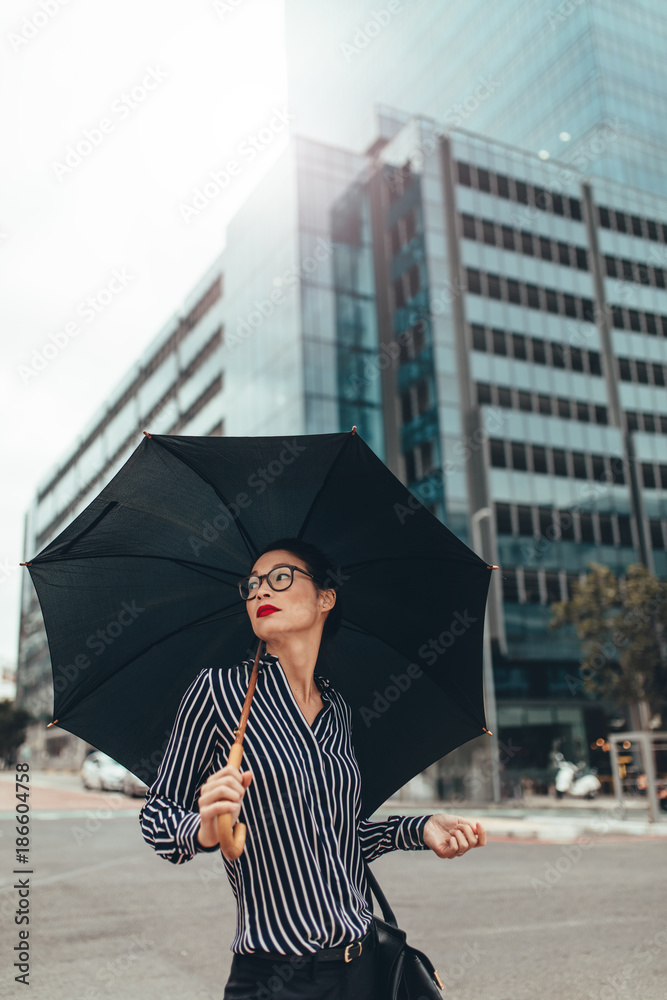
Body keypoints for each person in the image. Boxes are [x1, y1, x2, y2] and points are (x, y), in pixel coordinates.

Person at [140, 538, 486, 999]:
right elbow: (157, 816)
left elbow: (339, 840)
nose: (261, 592)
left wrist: (420, 829)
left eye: (280, 578)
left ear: (326, 598)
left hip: (361, 965)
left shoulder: (338, 709)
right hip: (273, 976)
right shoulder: (220, 693)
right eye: (253, 585)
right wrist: (203, 829)